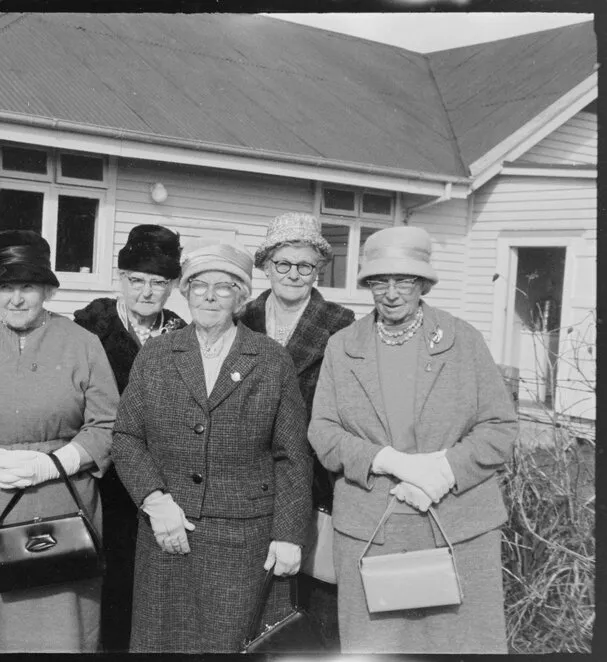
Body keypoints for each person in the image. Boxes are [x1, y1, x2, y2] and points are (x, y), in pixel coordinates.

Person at [308, 226, 518, 654]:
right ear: (367, 284)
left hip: (459, 528)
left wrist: (440, 472)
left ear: (422, 283)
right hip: (372, 530)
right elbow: (323, 432)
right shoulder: (342, 346)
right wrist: (389, 461)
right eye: (379, 281)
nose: (391, 293)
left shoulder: (463, 340)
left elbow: (500, 428)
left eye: (403, 280)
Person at [112, 242, 312, 653]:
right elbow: (127, 437)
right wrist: (155, 500)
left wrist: (289, 535)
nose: (208, 295)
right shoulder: (157, 354)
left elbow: (292, 456)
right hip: (168, 532)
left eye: (223, 287)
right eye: (198, 285)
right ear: (184, 293)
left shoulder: (271, 360)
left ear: (241, 297)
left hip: (242, 540)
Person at [0, 230, 119, 652]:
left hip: (62, 497)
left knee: (60, 623)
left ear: (48, 290)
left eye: (28, 287)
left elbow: (109, 423)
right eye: (5, 287)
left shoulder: (82, 343)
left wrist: (54, 464)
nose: (16, 299)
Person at [240, 212, 355, 649]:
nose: (293, 274)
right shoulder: (243, 317)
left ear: (318, 270)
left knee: (312, 589)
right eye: (283, 264)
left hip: (314, 473)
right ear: (266, 266)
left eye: (304, 265)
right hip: (249, 471)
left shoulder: (341, 324)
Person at [72, 223, 186, 652]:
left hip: (157, 482)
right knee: (100, 586)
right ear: (121, 278)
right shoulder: (88, 328)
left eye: (158, 283)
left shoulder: (180, 335)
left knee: (150, 587)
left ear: (172, 285)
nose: (146, 293)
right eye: (136, 280)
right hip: (101, 479)